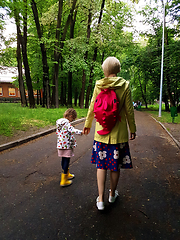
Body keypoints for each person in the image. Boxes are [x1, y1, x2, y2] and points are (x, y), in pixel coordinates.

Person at [83, 56, 136, 210]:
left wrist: (87, 124)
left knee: (101, 165)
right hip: (118, 134)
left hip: (101, 134)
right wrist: (132, 129)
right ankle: (112, 195)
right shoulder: (124, 85)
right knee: (115, 166)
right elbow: (129, 111)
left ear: (105, 70)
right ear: (118, 70)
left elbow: (92, 106)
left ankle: (100, 199)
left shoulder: (99, 84)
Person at [56, 108, 83, 187]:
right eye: (73, 119)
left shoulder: (59, 122)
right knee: (66, 160)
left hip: (61, 144)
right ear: (70, 116)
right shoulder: (67, 123)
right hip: (67, 145)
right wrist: (81, 132)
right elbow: (72, 130)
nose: (72, 121)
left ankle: (66, 174)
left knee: (64, 159)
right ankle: (64, 180)